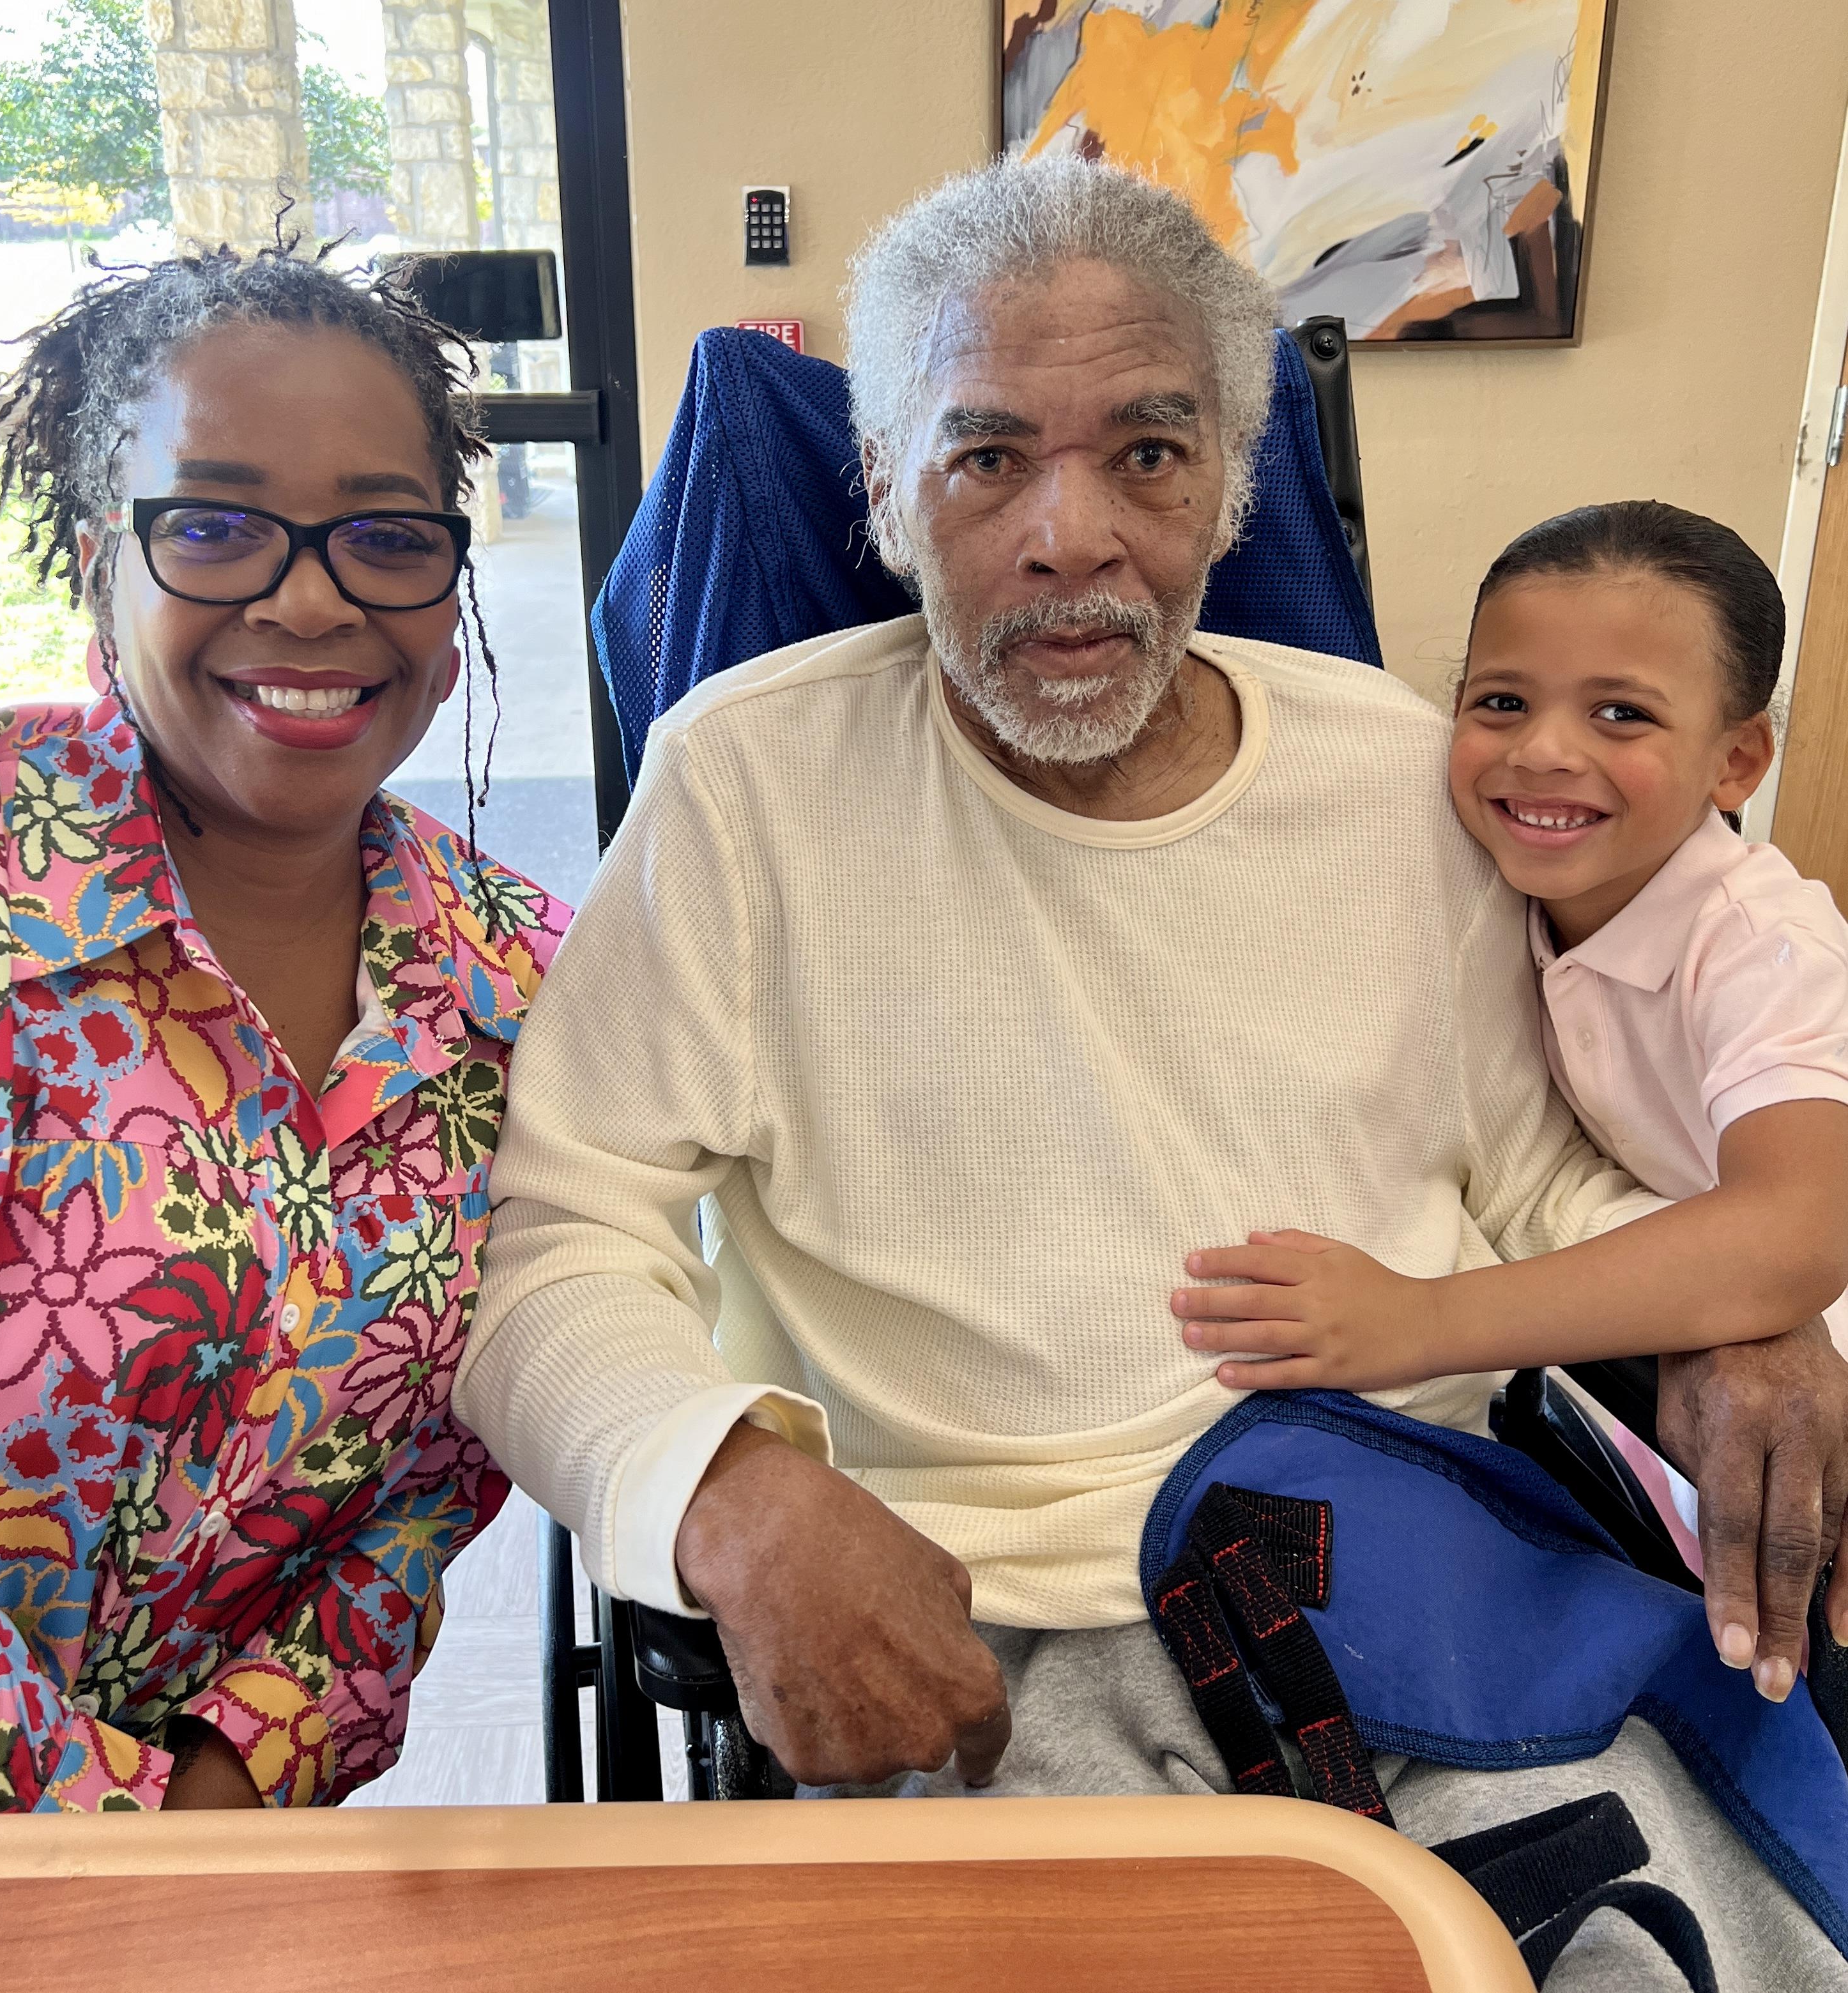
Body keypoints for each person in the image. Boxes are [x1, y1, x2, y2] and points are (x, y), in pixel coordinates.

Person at [461, 158, 1848, 1987]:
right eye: (985, 460)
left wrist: (1731, 1315)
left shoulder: (1395, 779)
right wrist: (734, 1493)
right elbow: (556, 1247)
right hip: (988, 1634)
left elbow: (1531, 1181)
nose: (1072, 536)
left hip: (1419, 1572)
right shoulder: (748, 790)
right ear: (884, 492)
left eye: (1146, 453)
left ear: (1229, 489)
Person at [0, 243, 568, 1813]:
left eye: (383, 535)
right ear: (102, 552)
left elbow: (430, 1490)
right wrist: (95, 1841)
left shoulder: (520, 983)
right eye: (212, 525)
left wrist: (222, 1803)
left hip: (220, 1868)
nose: (310, 598)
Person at [1174, 501, 1848, 1676]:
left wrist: (1416, 1322)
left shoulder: (1761, 944)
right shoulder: (1509, 888)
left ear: (1736, 760)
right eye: (1501, 701)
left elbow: (1792, 1231)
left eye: (1621, 713)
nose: (1544, 749)